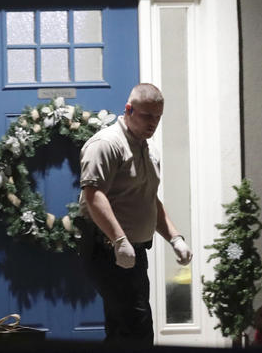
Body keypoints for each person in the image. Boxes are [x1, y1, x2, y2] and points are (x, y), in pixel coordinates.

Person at [77, 83, 192, 348]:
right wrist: (119, 240)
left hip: (133, 252)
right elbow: (93, 195)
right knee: (137, 331)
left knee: (122, 331)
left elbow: (149, 199)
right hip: (106, 250)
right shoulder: (106, 144)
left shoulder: (149, 150)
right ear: (129, 109)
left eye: (158, 117)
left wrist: (175, 237)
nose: (154, 123)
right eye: (147, 116)